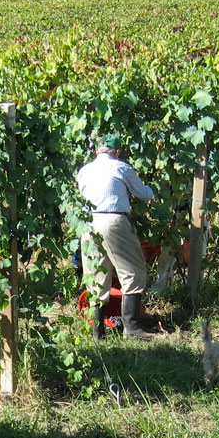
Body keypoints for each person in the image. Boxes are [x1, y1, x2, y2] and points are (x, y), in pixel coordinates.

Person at [77, 133, 155, 341]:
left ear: (97, 151)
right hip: (113, 221)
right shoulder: (121, 167)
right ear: (117, 151)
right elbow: (143, 193)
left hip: (88, 223)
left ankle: (97, 333)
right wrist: (153, 191)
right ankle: (131, 328)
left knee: (96, 274)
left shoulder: (84, 171)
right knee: (133, 272)